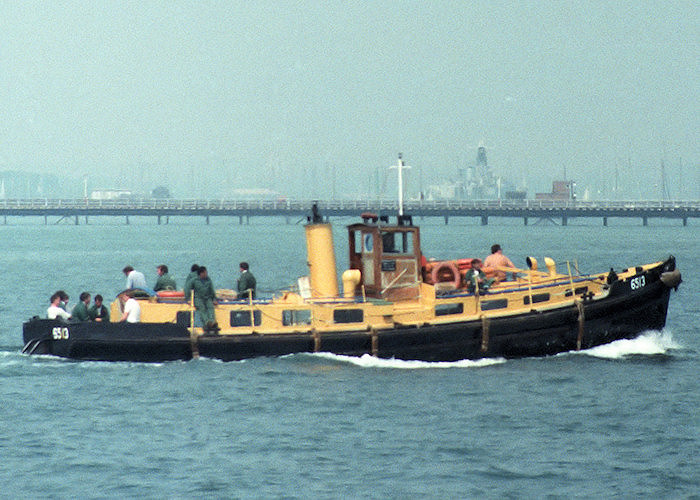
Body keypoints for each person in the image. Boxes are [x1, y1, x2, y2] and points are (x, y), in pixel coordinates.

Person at [188, 266, 218, 332]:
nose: (206, 274)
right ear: (201, 273)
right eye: (205, 273)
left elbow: (211, 290)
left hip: (207, 297)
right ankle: (207, 322)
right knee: (202, 308)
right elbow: (187, 289)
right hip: (198, 298)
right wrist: (188, 299)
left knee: (210, 308)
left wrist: (214, 299)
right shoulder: (194, 280)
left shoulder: (208, 280)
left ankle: (213, 322)